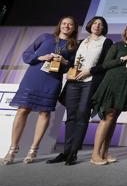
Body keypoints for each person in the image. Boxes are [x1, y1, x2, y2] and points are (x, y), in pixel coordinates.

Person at [1, 16, 77, 165]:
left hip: (52, 81)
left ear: (74, 28)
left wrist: (64, 61)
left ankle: (33, 150)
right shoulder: (45, 37)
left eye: (70, 24)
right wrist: (40, 57)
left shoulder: (73, 45)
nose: (67, 26)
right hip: (33, 77)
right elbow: (26, 55)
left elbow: (71, 67)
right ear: (60, 25)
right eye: (64, 23)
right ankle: (12, 150)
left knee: (44, 112)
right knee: (22, 110)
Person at [47, 16, 113, 166]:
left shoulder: (106, 42)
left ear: (103, 28)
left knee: (82, 116)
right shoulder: (81, 42)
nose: (97, 26)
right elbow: (73, 61)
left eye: (100, 24)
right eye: (95, 23)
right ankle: (66, 151)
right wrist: (64, 62)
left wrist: (90, 71)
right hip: (73, 82)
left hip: (90, 83)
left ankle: (74, 153)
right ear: (90, 25)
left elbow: (105, 64)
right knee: (70, 117)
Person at [90, 23, 127, 165]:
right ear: (125, 32)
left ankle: (105, 152)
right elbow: (106, 64)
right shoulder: (116, 46)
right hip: (112, 82)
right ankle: (95, 154)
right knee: (107, 116)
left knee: (114, 118)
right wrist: (124, 58)